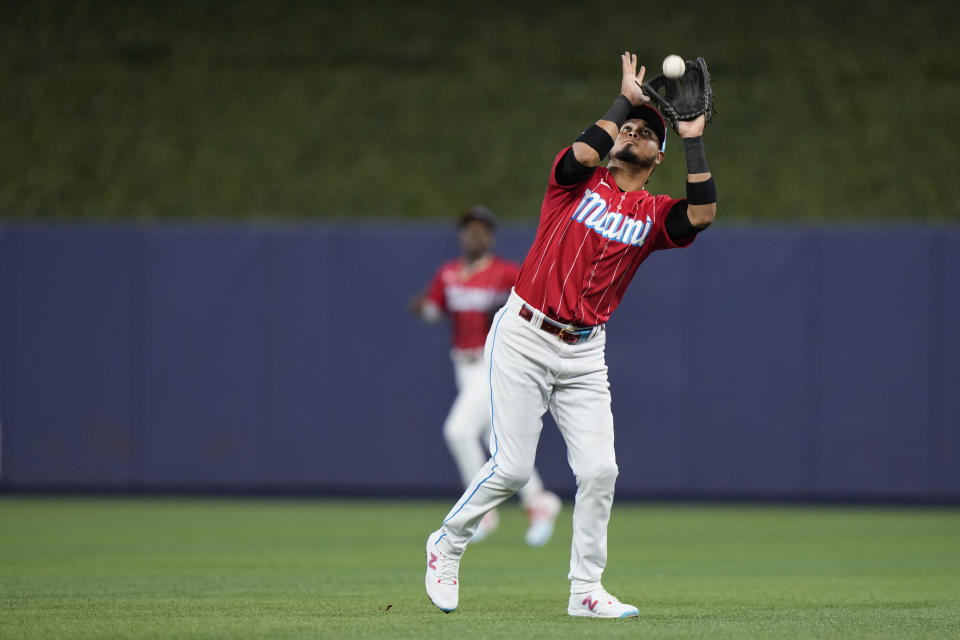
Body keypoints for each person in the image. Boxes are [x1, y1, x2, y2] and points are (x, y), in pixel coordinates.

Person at [424, 52, 717, 618]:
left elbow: (701, 215)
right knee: (510, 467)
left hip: (585, 352)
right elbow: (584, 150)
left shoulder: (654, 213)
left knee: (601, 470)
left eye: (644, 133)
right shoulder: (572, 185)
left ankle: (585, 590)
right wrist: (626, 101)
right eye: (627, 129)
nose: (632, 133)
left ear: (658, 157)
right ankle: (448, 542)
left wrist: (694, 138)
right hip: (525, 334)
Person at [410, 206, 562, 547]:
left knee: (459, 430)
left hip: (493, 361)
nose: (472, 235)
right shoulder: (449, 273)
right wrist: (422, 307)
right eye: (467, 229)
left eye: (479, 230)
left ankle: (482, 512)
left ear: (490, 237)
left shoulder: (506, 272)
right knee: (498, 441)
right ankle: (540, 503)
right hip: (463, 365)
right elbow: (435, 311)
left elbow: (537, 300)